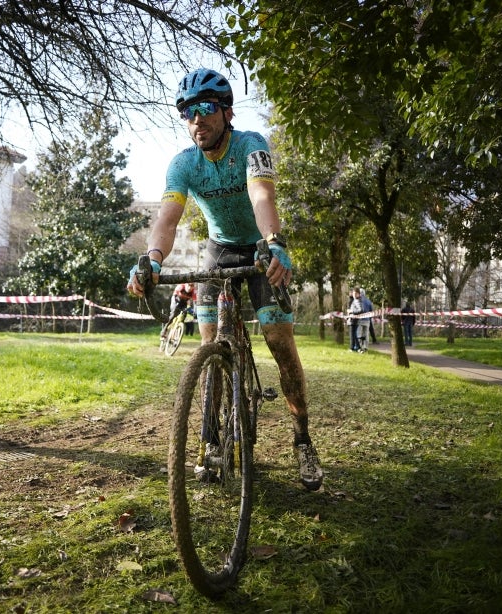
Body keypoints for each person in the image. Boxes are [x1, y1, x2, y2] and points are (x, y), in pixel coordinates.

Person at [126, 68, 323, 491]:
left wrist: (273, 241)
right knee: (210, 348)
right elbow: (167, 218)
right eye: (187, 112)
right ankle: (212, 441)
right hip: (217, 252)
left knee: (279, 342)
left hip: (258, 247)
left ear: (226, 111)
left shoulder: (251, 145)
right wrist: (152, 258)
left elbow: (261, 195)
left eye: (206, 108)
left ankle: (302, 439)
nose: (197, 119)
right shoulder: (183, 164)